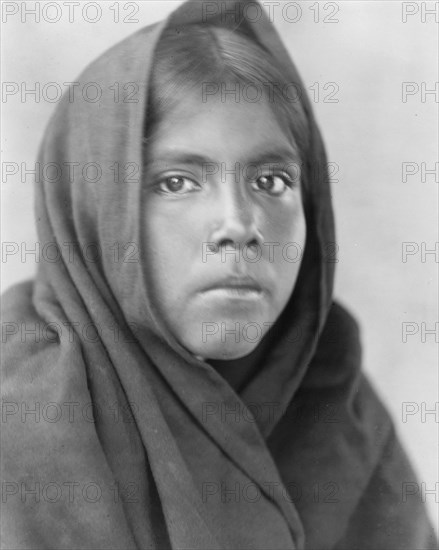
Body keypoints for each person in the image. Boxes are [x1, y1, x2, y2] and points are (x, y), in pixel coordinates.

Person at [1, 0, 437, 548]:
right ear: (93, 207)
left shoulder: (336, 399)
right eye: (176, 182)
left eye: (272, 181)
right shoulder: (21, 424)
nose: (238, 224)